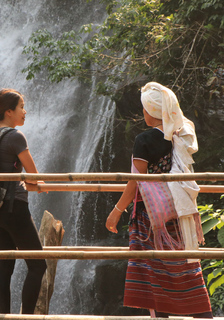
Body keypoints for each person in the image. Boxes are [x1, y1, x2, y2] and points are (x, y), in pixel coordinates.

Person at [106, 82, 213, 318]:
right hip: (177, 213)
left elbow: (135, 182)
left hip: (150, 218)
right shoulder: (179, 136)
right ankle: (203, 316)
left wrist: (116, 210)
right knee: (186, 269)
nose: (142, 112)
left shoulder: (144, 140)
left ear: (152, 111)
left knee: (153, 275)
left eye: (144, 108)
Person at [0, 88, 47, 314]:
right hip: (13, 209)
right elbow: (33, 176)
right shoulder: (16, 136)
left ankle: (5, 317)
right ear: (9, 112)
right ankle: (26, 318)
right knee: (38, 265)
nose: (25, 112)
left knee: (5, 266)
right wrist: (38, 185)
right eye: (21, 107)